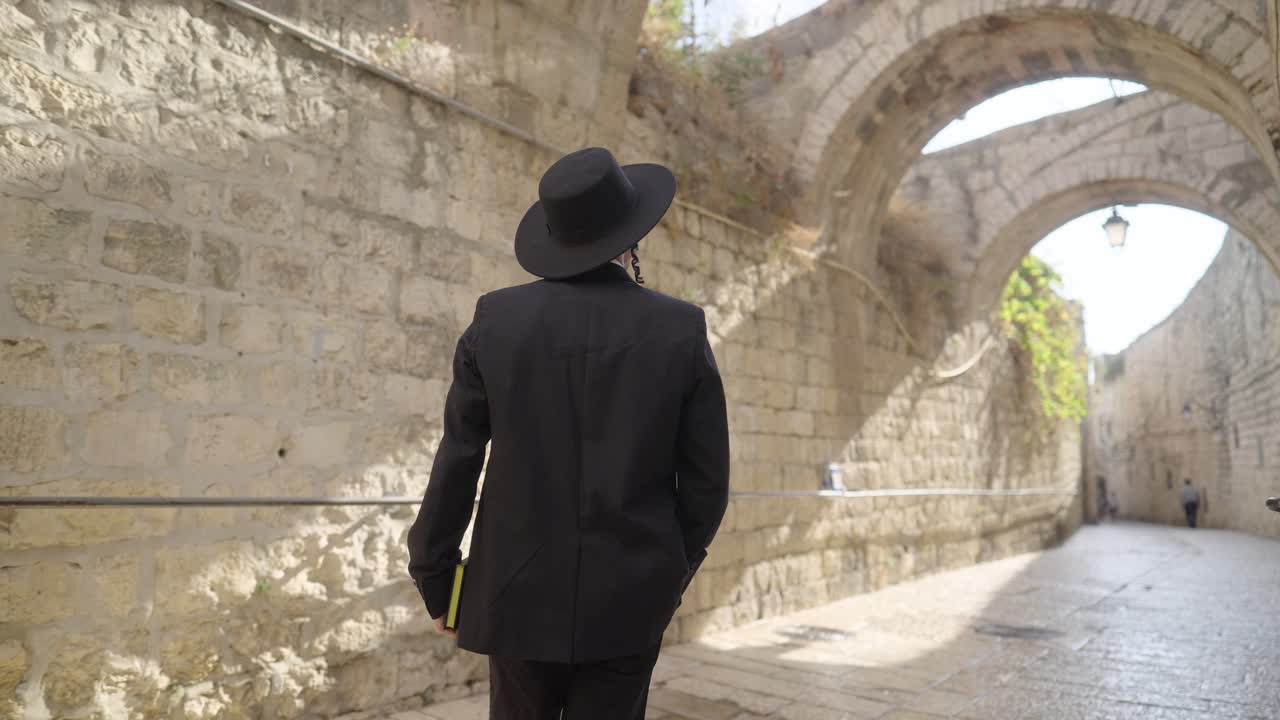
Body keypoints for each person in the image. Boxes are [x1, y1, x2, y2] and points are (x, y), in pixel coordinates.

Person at [407, 147, 731, 719]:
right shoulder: (681, 328)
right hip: (631, 597)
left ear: (557, 237)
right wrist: (669, 573)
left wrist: (436, 575)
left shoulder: (495, 321)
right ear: (631, 237)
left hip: (514, 590)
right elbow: (706, 481)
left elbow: (458, 458)